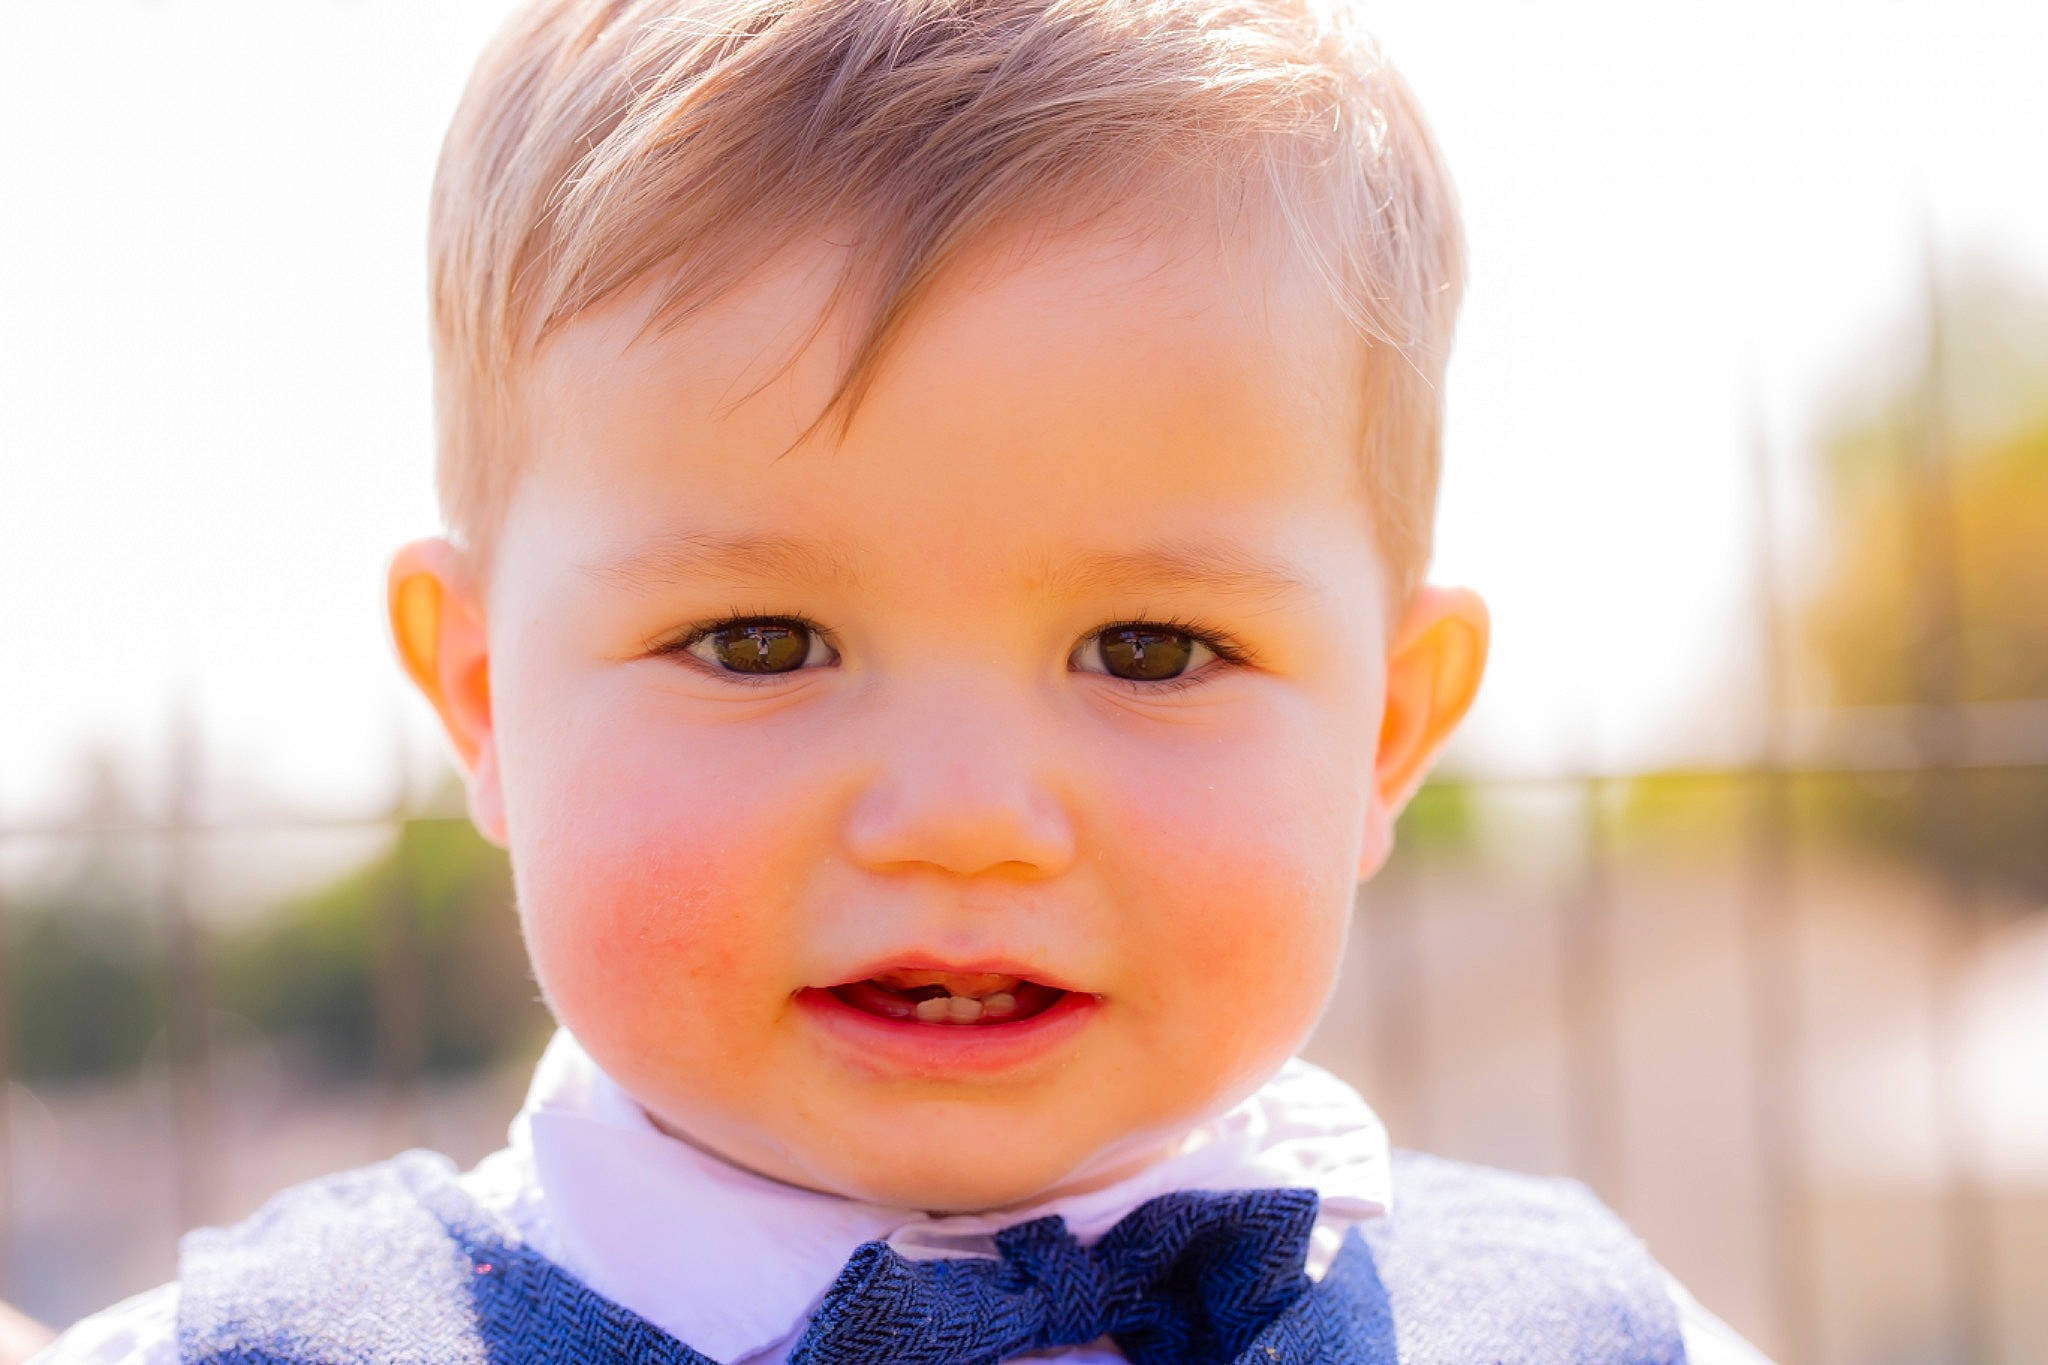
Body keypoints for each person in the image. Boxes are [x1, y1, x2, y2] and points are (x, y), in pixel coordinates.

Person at [35, 0, 1772, 1360]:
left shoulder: (1594, 1338)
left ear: (1388, 726)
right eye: (760, 642)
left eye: (1152, 649)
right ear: (484, 695)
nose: (963, 817)